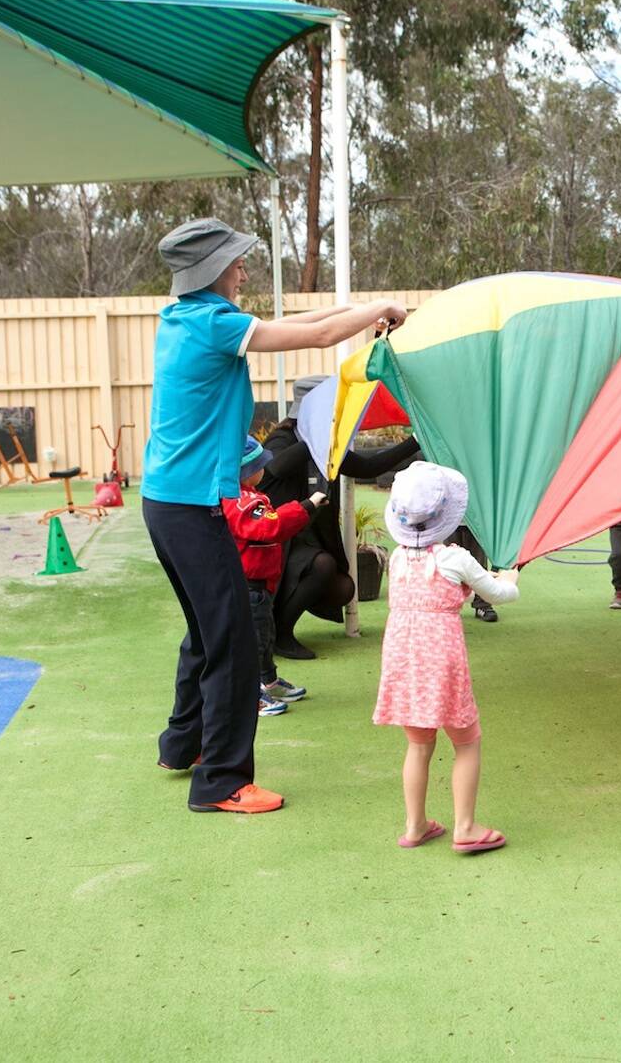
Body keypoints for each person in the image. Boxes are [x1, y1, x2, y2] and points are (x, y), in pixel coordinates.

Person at [143, 216, 405, 814]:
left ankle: (182, 744)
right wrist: (377, 310)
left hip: (167, 501)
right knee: (233, 639)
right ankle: (223, 782)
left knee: (206, 632)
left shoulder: (182, 319)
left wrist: (367, 308)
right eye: (236, 262)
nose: (243, 269)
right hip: (190, 505)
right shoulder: (212, 324)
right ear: (212, 271)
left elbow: (303, 323)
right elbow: (312, 338)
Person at [372, 462, 519, 853]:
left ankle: (415, 824)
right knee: (467, 741)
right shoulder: (456, 559)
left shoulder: (398, 560)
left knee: (418, 744)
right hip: (442, 659)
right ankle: (466, 827)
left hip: (405, 658)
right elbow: (499, 593)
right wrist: (512, 577)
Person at [259, 377, 421, 658]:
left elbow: (370, 467)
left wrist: (416, 439)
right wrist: (316, 437)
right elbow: (274, 469)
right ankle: (281, 635)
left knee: (343, 588)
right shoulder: (283, 440)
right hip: (276, 539)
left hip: (306, 537)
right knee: (322, 564)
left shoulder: (327, 446)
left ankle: (274, 626)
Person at [222, 437, 325, 718]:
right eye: (259, 466)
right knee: (253, 643)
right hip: (249, 584)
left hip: (262, 583)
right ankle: (250, 695)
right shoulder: (241, 501)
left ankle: (268, 680)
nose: (264, 470)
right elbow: (271, 527)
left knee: (264, 637)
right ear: (245, 471)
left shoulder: (249, 496)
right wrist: (306, 507)